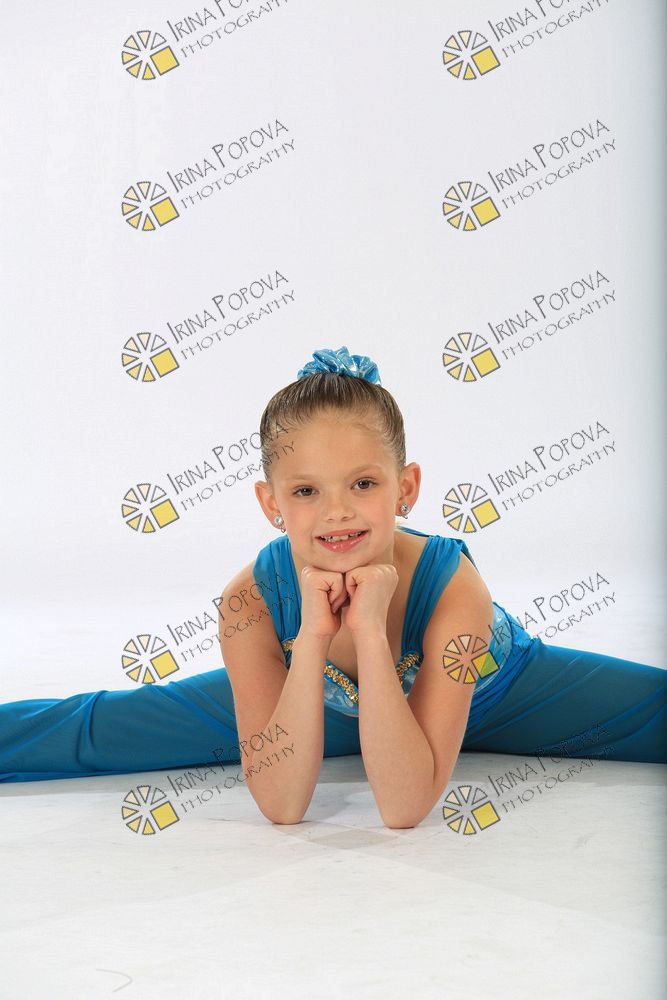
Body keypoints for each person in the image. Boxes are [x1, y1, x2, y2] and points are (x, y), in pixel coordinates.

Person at [1, 347, 665, 829]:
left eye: (363, 483)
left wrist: (369, 631)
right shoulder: (252, 603)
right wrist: (314, 637)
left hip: (506, 693)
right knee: (104, 729)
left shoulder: (453, 591)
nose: (338, 512)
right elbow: (281, 806)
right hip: (319, 706)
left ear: (405, 487)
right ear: (271, 503)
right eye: (305, 492)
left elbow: (405, 808)